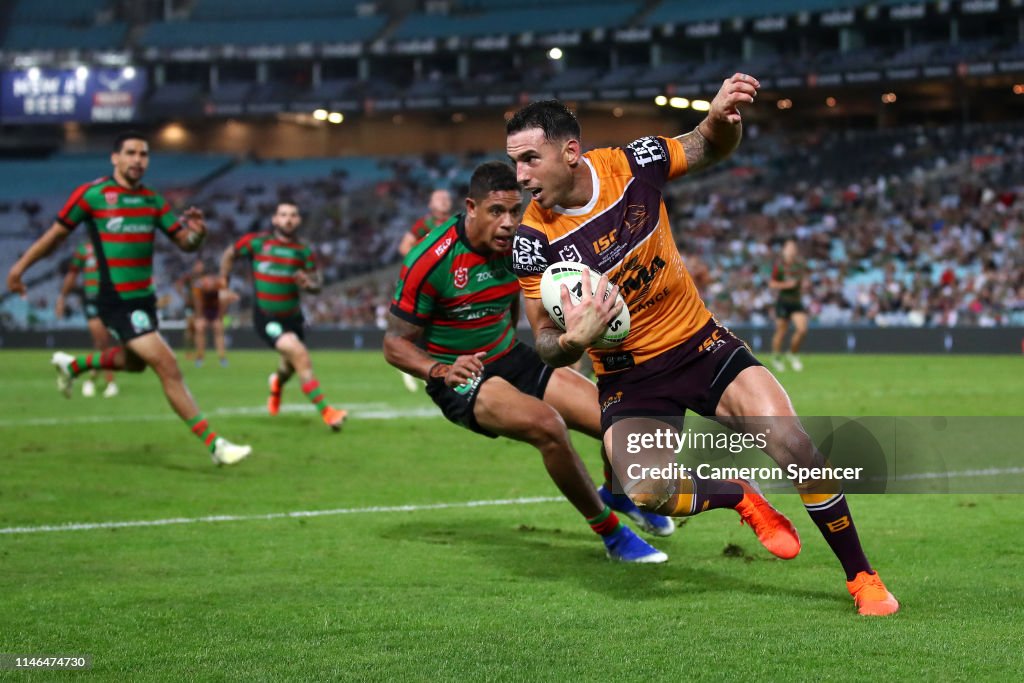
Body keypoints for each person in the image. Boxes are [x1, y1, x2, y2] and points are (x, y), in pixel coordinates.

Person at [506, 79, 898, 615]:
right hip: (628, 375)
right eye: (516, 163)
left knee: (795, 446)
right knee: (647, 493)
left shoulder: (632, 164)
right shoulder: (534, 240)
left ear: (570, 152)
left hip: (700, 345)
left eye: (530, 159)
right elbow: (546, 343)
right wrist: (571, 339)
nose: (521, 176)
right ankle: (737, 495)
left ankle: (863, 578)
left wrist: (719, 120)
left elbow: (706, 145)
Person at [383, 161, 674, 563]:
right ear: (471, 207)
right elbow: (394, 343)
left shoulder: (523, 245)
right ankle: (612, 534)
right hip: (462, 376)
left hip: (511, 354)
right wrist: (442, 371)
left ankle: (614, 492)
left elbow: (518, 305)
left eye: (514, 210)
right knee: (548, 426)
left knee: (614, 416)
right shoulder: (430, 261)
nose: (508, 222)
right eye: (495, 211)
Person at [6, 131, 251, 466]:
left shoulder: (152, 201)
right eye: (131, 153)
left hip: (144, 299)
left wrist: (198, 235)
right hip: (115, 299)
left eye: (144, 154)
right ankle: (216, 446)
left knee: (135, 364)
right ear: (115, 158)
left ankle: (73, 365)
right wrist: (19, 269)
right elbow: (55, 237)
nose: (138, 160)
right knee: (168, 365)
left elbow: (185, 243)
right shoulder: (93, 195)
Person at [219, 201, 347, 431]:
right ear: (275, 220)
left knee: (289, 367)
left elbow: (317, 284)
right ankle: (328, 412)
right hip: (267, 317)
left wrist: (309, 284)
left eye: (293, 215)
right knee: (300, 354)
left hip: (293, 317)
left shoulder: (303, 251)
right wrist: (224, 286)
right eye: (283, 215)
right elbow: (229, 254)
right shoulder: (257, 243)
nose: (288, 219)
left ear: (298, 220)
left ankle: (277, 382)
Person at [396, 188, 454, 392]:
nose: (444, 201)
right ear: (430, 204)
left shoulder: (455, 223)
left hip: (449, 283)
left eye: (446, 198)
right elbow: (404, 247)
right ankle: (410, 365)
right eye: (439, 198)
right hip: (429, 282)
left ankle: (429, 365)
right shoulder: (424, 225)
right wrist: (423, 263)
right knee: (421, 323)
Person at [54, 240, 118, 397]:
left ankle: (86, 376)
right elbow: (72, 274)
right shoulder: (83, 250)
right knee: (102, 342)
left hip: (112, 298)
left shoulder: (114, 247)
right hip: (92, 300)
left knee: (103, 344)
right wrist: (62, 297)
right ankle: (110, 383)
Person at [769, 238, 808, 372]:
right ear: (784, 250)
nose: (792, 250)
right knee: (781, 331)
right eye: (789, 248)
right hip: (784, 302)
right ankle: (777, 358)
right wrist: (786, 285)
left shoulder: (799, 266)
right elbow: (772, 284)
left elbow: (802, 281)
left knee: (802, 330)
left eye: (794, 248)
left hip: (796, 301)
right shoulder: (779, 267)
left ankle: (792, 353)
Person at [192, 265, 229, 368]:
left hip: (215, 311)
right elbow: (197, 302)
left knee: (218, 328)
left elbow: (223, 302)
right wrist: (200, 317)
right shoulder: (198, 285)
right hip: (204, 311)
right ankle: (200, 357)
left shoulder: (220, 284)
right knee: (199, 328)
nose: (209, 280)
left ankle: (222, 358)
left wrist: (219, 317)